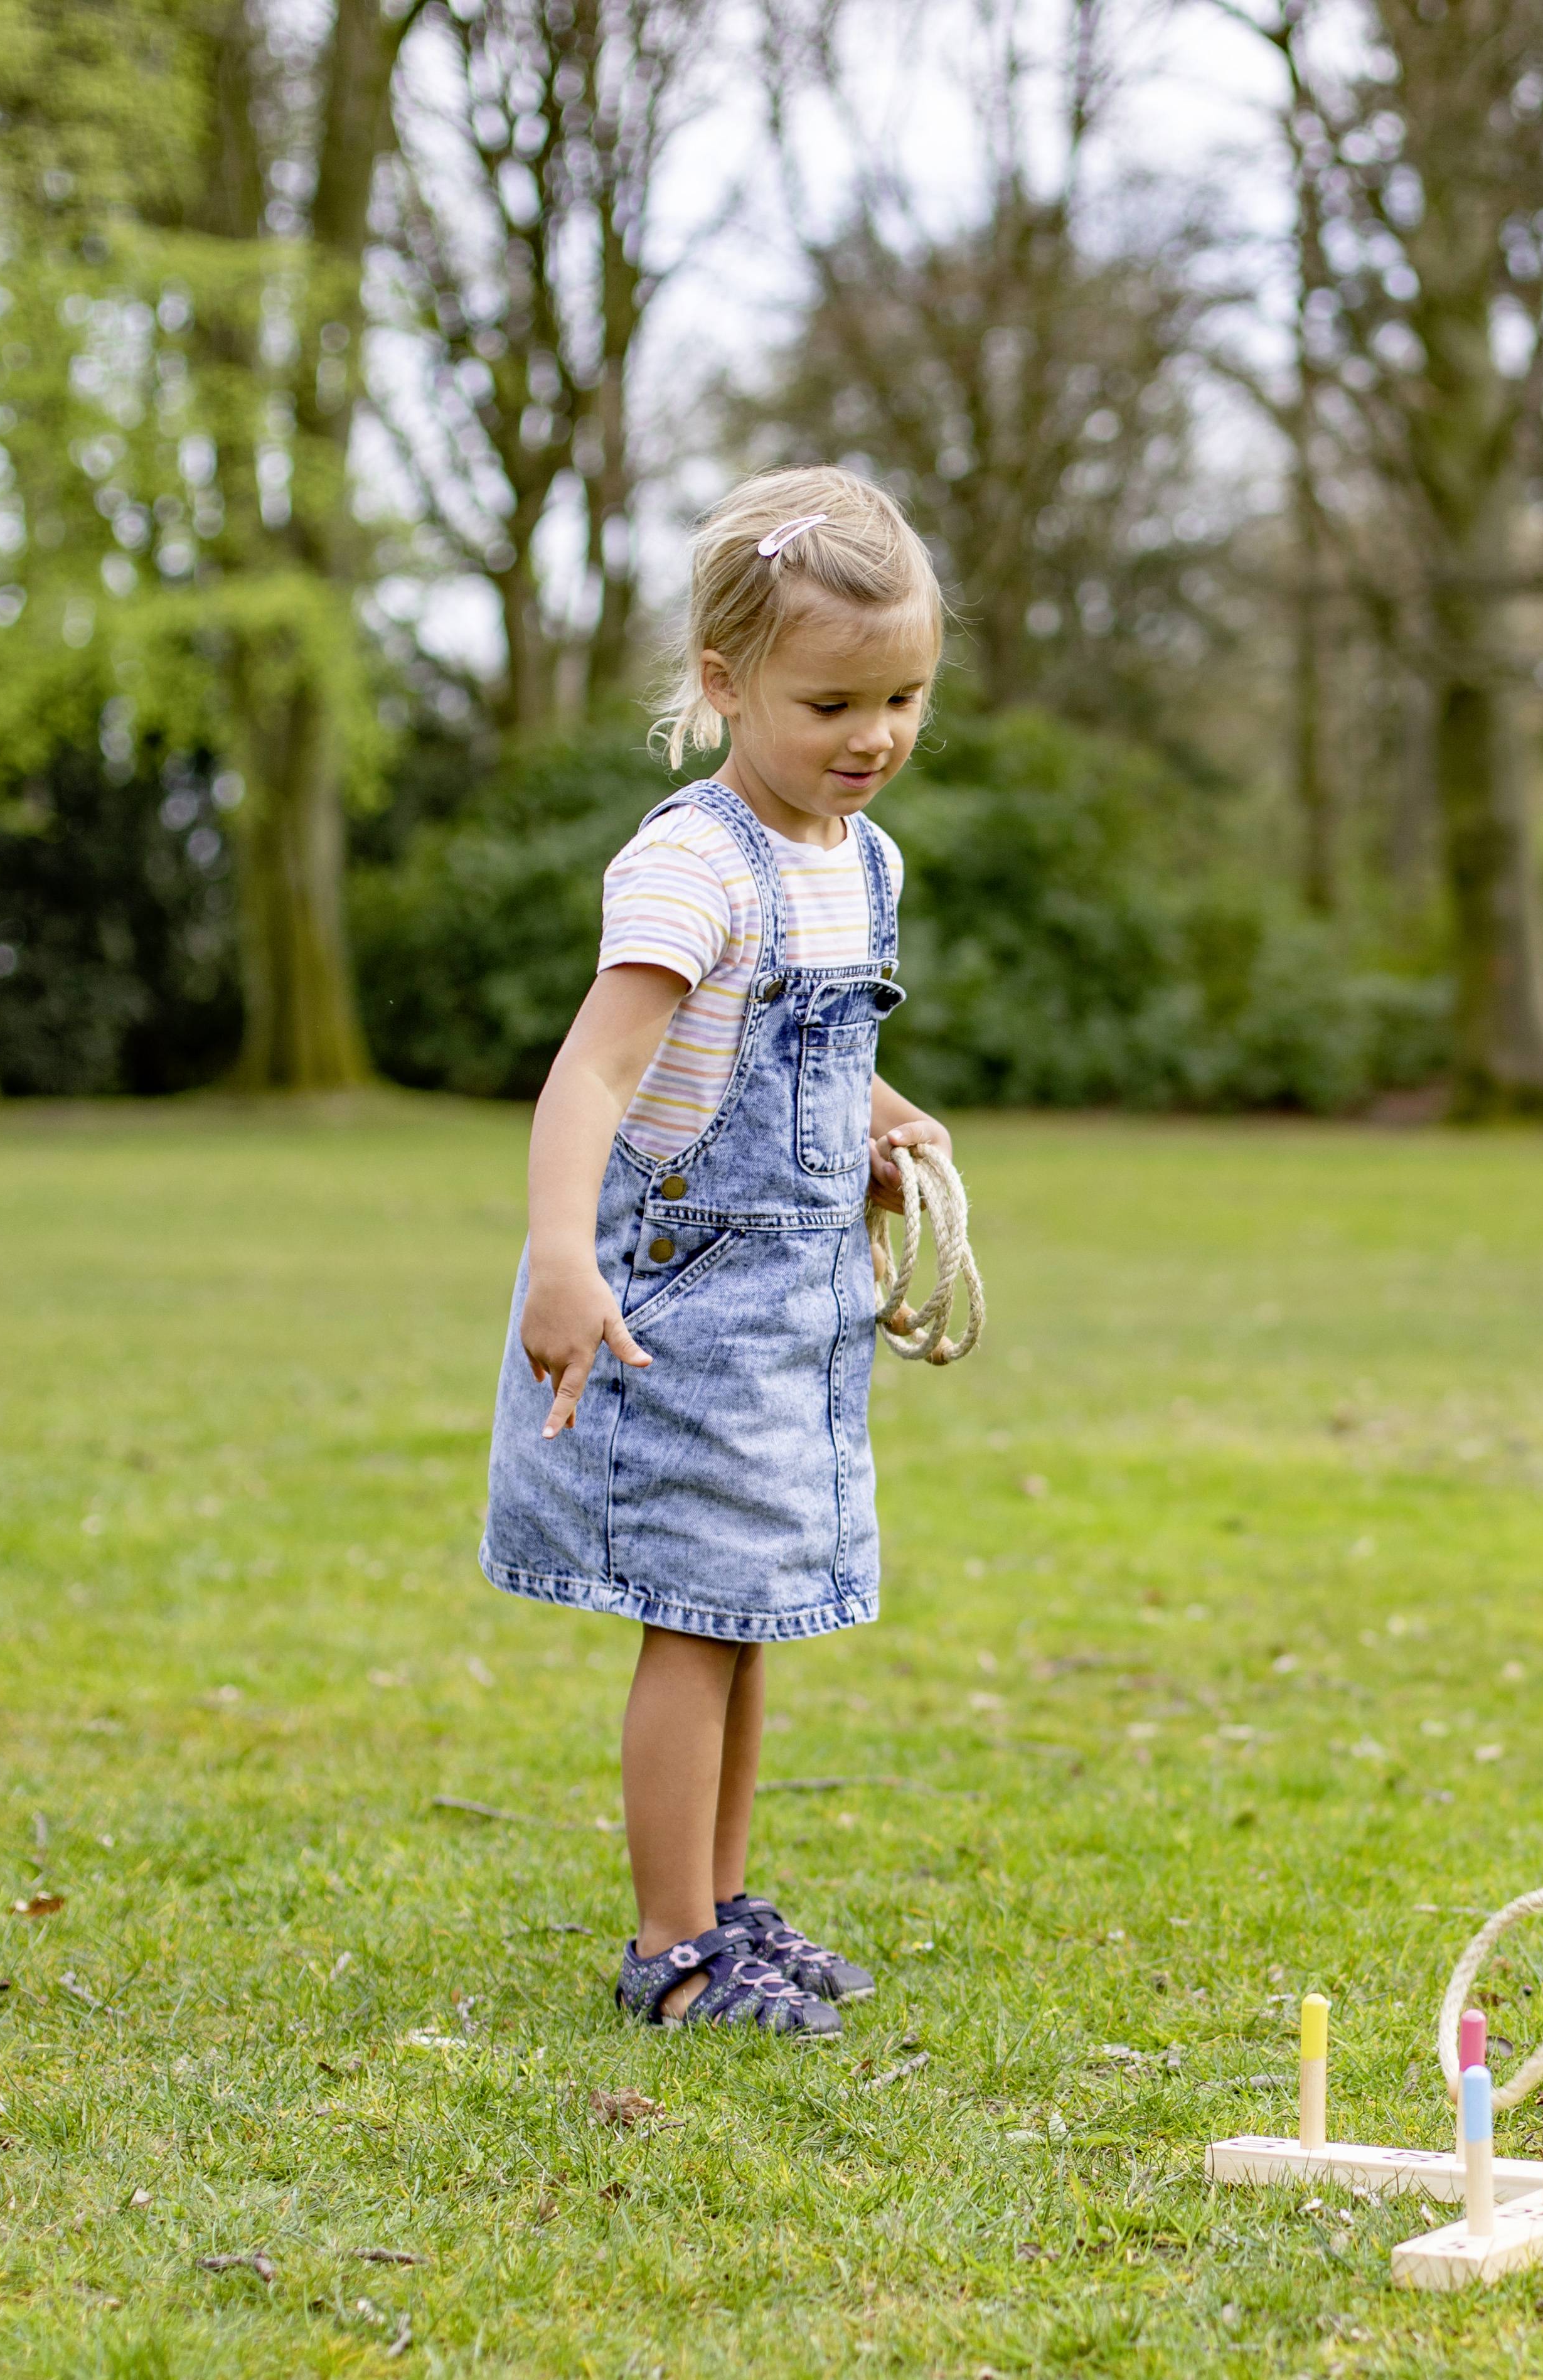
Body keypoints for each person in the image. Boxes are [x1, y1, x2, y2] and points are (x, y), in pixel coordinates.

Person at [479, 465, 953, 2036]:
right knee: (694, 1617)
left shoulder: (859, 861)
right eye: (832, 701)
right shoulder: (695, 860)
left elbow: (791, 1059)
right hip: (678, 1302)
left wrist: (879, 1122)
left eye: (903, 696)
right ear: (723, 683)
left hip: (796, 1309)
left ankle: (722, 1904)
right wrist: (562, 1254)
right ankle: (670, 1941)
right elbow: (599, 1073)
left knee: (750, 1612)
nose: (872, 734)